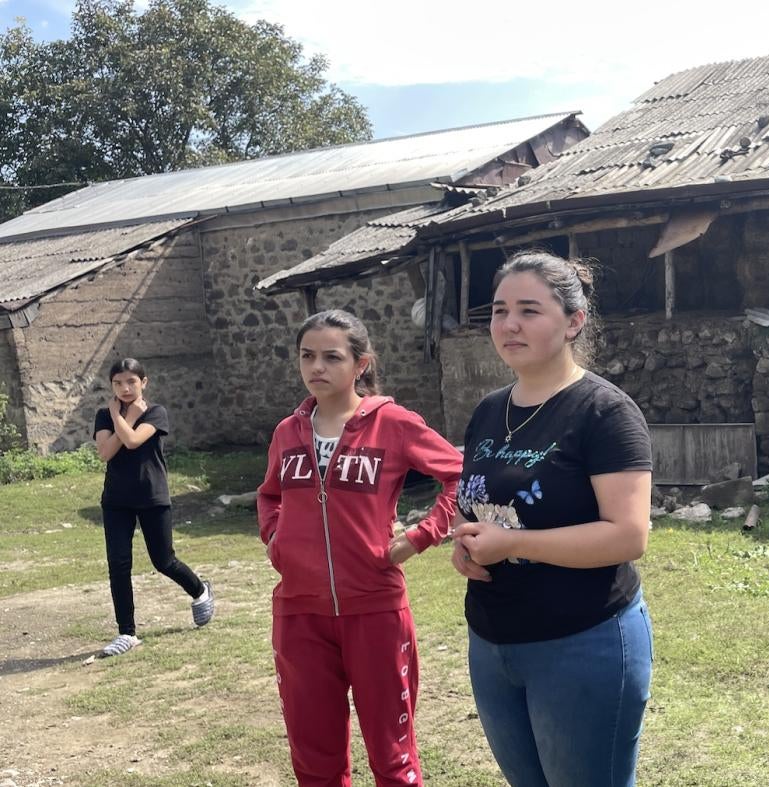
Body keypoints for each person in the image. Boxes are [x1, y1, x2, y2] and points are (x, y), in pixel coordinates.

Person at [450, 251, 653, 787]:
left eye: (529, 310)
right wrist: (466, 542)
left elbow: (629, 535)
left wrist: (513, 541)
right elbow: (479, 501)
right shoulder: (489, 410)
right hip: (492, 643)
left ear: (573, 322)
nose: (509, 324)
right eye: (498, 310)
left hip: (582, 641)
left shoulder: (604, 412)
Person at [256, 309, 462, 787]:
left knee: (393, 759)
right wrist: (276, 539)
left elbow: (458, 474)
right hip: (299, 615)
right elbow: (269, 494)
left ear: (361, 364)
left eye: (332, 357)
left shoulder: (392, 424)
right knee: (314, 760)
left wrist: (421, 535)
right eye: (308, 356)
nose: (317, 368)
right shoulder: (288, 432)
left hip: (375, 611)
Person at [93, 358, 213, 658]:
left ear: (143, 382)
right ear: (111, 386)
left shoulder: (156, 412)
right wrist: (117, 413)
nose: (125, 388)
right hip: (116, 501)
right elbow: (106, 452)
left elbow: (132, 441)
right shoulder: (103, 416)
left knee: (163, 560)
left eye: (131, 381)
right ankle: (127, 632)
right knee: (119, 565)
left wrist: (128, 418)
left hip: (151, 496)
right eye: (118, 383)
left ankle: (200, 590)